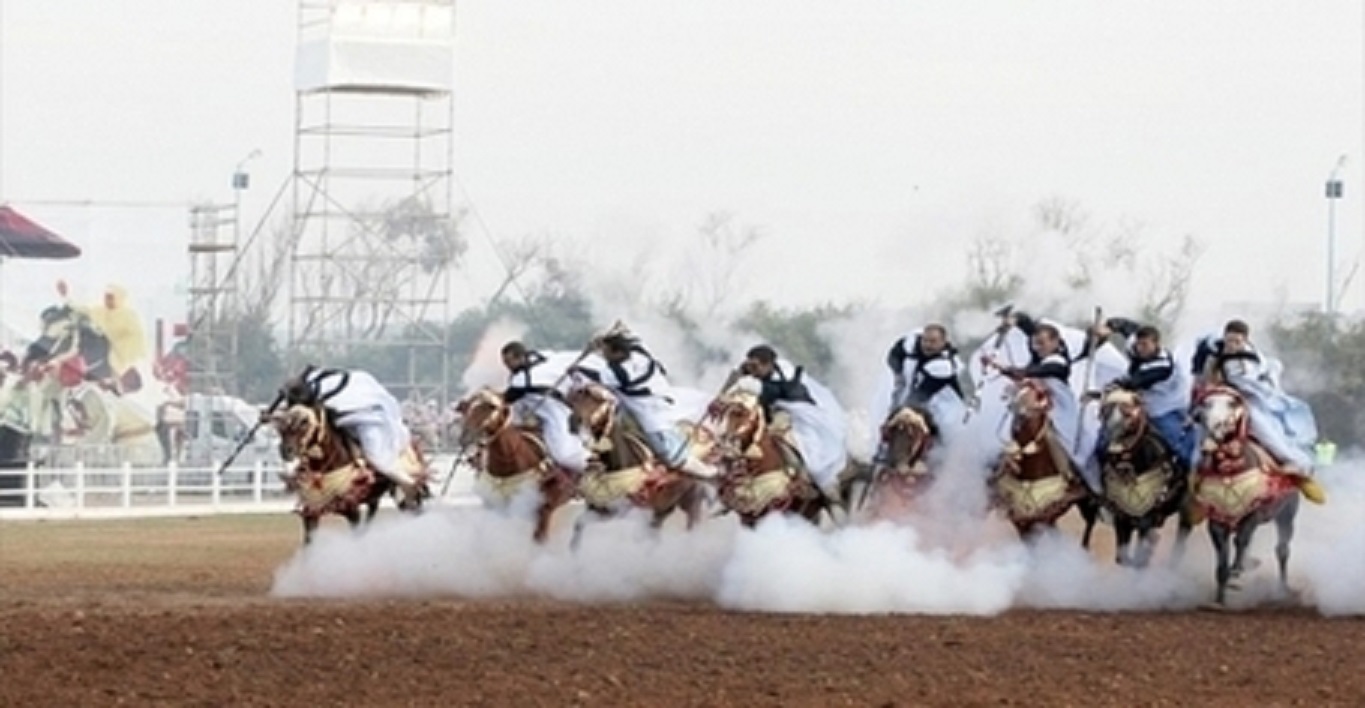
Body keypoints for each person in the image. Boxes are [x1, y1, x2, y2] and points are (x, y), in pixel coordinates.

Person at [574, 325, 716, 480]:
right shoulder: (638, 350)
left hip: (652, 413)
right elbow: (628, 333)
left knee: (671, 457)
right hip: (658, 398)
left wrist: (576, 369)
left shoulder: (620, 372)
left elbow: (597, 377)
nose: (605, 356)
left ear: (617, 352)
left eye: (606, 352)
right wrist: (603, 338)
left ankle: (709, 473)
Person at [1190, 320, 1318, 477]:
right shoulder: (1214, 350)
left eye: (1237, 342)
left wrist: (1232, 390)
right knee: (1199, 426)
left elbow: (1251, 385)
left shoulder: (1248, 360)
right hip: (1216, 397)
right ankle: (1193, 470)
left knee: (1260, 426)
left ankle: (1292, 460)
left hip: (1246, 398)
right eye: (1229, 340)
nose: (1232, 345)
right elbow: (1203, 377)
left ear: (1245, 341)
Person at [720, 345, 849, 498]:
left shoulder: (787, 376)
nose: (752, 371)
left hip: (797, 414)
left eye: (756, 367)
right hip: (764, 413)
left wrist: (755, 387)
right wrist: (732, 382)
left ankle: (807, 479)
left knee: (802, 448)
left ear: (768, 365)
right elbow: (731, 387)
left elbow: (777, 392)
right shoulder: (753, 373)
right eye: (750, 366)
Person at [276, 365, 422, 499]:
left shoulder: (334, 397)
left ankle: (409, 484)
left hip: (368, 415)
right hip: (347, 412)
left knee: (377, 459)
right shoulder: (312, 381)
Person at [996, 322, 1098, 491]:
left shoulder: (1058, 362)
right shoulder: (1040, 362)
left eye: (1042, 343)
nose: (1038, 347)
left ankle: (1089, 486)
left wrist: (1006, 369)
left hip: (1060, 412)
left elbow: (1033, 372)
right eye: (1036, 343)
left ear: (1056, 342)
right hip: (1039, 408)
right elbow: (1026, 375)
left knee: (1074, 450)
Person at [1093, 318, 1195, 469]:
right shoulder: (1136, 346)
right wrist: (1108, 327)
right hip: (1143, 400)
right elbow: (1126, 326)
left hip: (1167, 407)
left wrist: (1113, 387)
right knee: (1108, 431)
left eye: (1145, 345)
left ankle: (1191, 475)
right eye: (1139, 344)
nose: (1141, 348)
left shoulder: (1162, 364)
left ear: (1157, 344)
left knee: (1180, 448)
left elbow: (1135, 381)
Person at [500, 341, 591, 475]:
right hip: (533, 409)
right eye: (504, 362)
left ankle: (590, 467)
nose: (506, 366)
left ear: (520, 357)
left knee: (563, 455)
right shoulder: (543, 355)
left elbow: (503, 399)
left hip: (556, 414)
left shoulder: (521, 380)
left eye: (508, 361)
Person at [884, 323, 966, 431]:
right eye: (925, 340)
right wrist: (898, 374)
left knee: (944, 428)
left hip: (941, 406)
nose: (927, 345)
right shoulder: (911, 344)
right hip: (907, 389)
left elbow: (921, 395)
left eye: (933, 342)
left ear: (943, 342)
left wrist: (902, 411)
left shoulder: (944, 367)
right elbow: (894, 355)